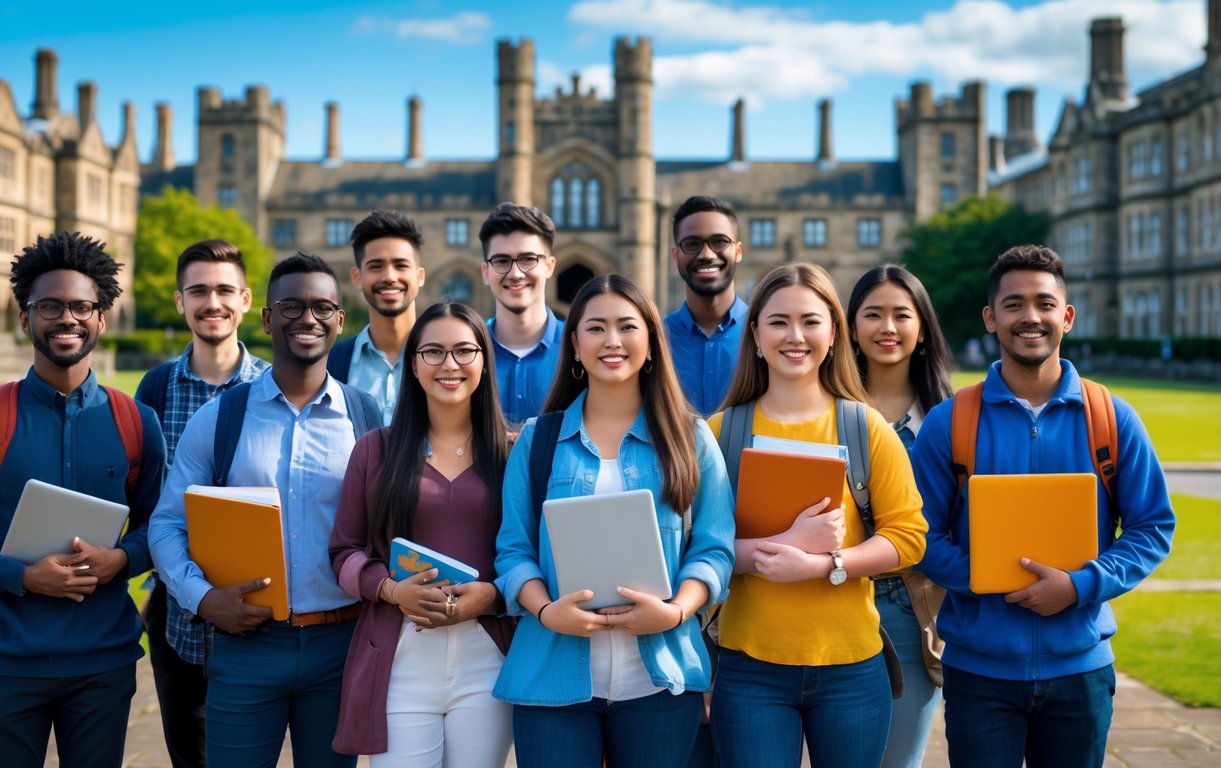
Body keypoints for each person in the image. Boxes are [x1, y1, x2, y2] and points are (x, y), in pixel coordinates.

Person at [911, 245, 1175, 768]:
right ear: (991, 317)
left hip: (1080, 671)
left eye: (1044, 303)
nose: (1030, 316)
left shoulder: (1112, 417)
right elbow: (917, 534)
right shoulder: (949, 422)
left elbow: (1153, 527)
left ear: (1067, 316)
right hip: (980, 674)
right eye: (1013, 304)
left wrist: (1079, 586)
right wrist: (990, 577)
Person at [0, 231, 166, 768]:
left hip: (104, 661)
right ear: (25, 317)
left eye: (82, 306)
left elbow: (161, 526)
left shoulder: (135, 422)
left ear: (102, 317)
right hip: (8, 661)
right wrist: (20, 576)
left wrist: (121, 560)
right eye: (49, 306)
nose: (67, 319)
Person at [149, 253, 381, 768]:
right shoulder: (221, 417)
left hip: (340, 645)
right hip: (245, 643)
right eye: (291, 306)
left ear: (341, 321)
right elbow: (167, 523)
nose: (308, 319)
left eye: (323, 307)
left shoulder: (366, 417)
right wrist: (202, 598)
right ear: (267, 318)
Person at [494, 274, 735, 768]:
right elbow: (513, 550)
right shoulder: (537, 441)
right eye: (595, 328)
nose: (612, 341)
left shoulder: (690, 439)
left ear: (650, 343)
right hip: (550, 680)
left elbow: (714, 549)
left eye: (627, 326)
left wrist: (675, 611)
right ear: (575, 346)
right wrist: (545, 611)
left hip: (659, 682)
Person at [707, 262, 927, 768]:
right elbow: (692, 545)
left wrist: (825, 564)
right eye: (779, 321)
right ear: (756, 335)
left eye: (810, 320)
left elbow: (909, 537)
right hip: (750, 668)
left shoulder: (865, 426)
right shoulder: (720, 433)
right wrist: (773, 548)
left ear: (833, 332)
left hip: (852, 667)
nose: (795, 336)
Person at [330, 302, 516, 766]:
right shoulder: (375, 450)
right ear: (413, 364)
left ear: (484, 362)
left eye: (463, 351)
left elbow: (536, 555)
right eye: (433, 352)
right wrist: (390, 590)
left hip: (486, 654)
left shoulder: (514, 453)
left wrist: (493, 596)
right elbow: (343, 552)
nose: (449, 365)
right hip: (400, 658)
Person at [136, 239, 269, 768]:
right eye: (198, 291)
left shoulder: (272, 386)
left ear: (244, 299)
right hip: (176, 607)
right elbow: (144, 499)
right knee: (189, 755)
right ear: (179, 301)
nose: (211, 302)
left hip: (260, 602)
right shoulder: (158, 386)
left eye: (223, 290)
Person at [846, 264, 953, 768]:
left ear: (923, 328)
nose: (887, 327)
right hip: (831, 602)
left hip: (916, 611)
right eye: (873, 314)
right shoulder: (826, 411)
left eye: (901, 315)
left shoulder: (950, 418)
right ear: (850, 327)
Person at [328, 210, 427, 424]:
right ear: (357, 278)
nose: (389, 277)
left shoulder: (445, 360)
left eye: (401, 265)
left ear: (420, 277)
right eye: (376, 266)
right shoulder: (331, 362)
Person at [663, 195, 748, 416]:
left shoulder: (766, 331)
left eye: (719, 241)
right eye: (692, 244)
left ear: (738, 251)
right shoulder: (655, 338)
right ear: (675, 256)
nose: (707, 254)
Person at [479, 202, 564, 424]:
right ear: (486, 272)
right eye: (502, 261)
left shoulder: (581, 347)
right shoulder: (465, 353)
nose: (515, 273)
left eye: (528, 259)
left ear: (549, 266)